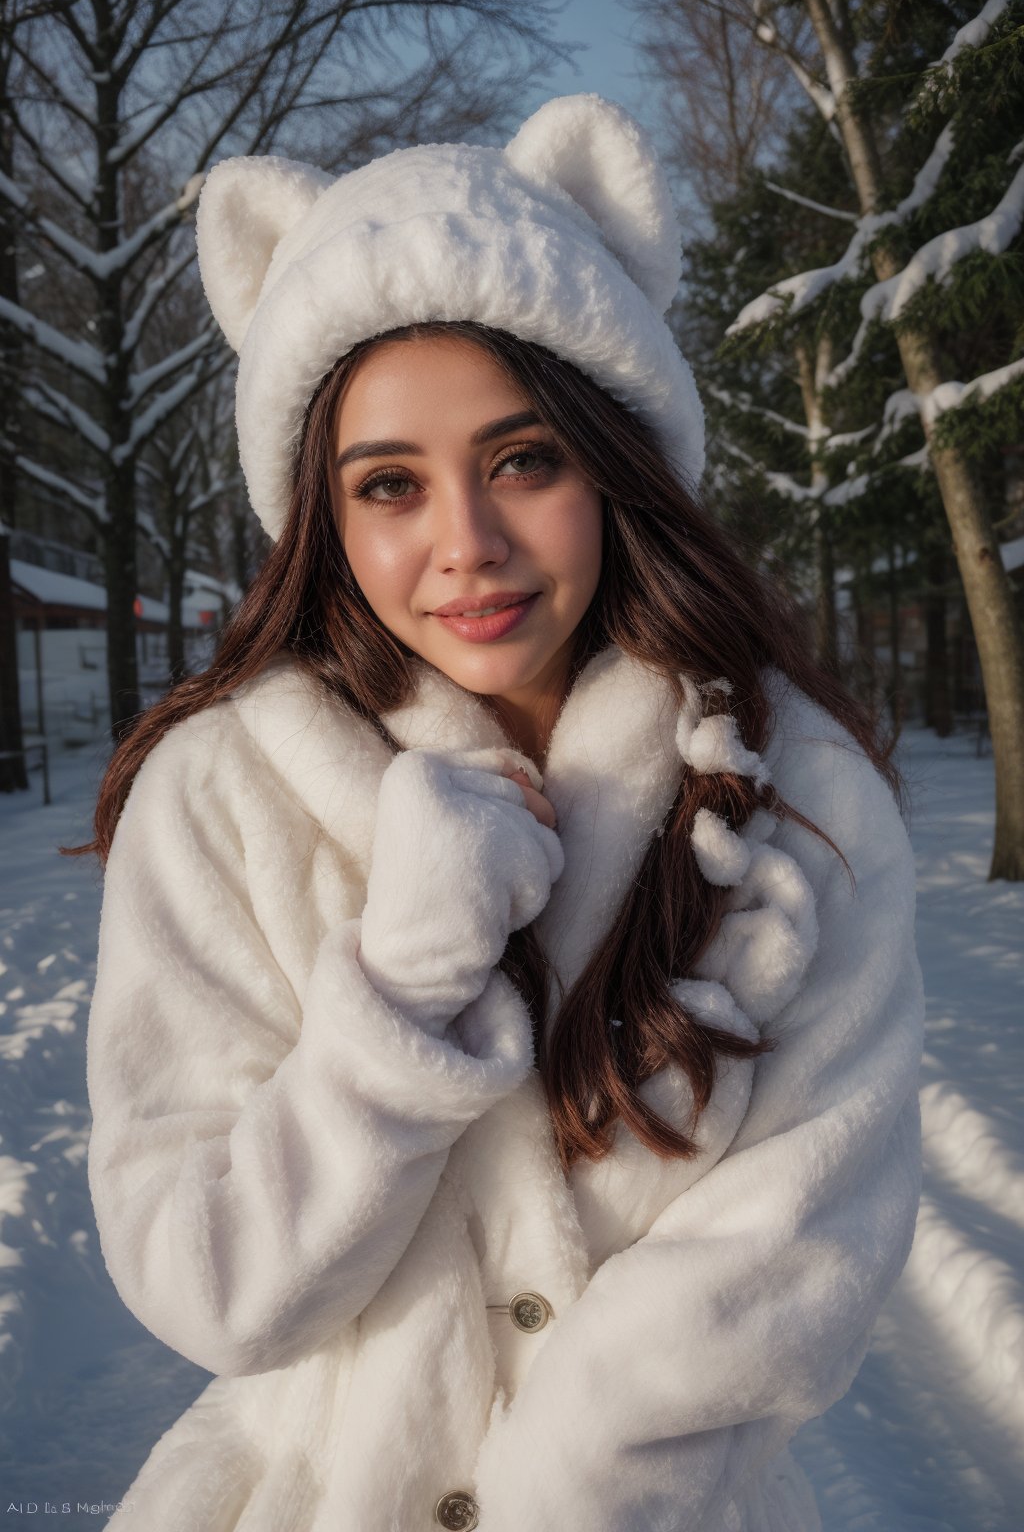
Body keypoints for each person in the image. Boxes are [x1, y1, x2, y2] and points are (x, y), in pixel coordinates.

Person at [77, 93, 925, 1532]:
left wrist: (571, 1494)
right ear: (322, 521)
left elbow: (805, 1241)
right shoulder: (222, 799)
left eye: (524, 459)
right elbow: (211, 1280)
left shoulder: (798, 794)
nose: (465, 545)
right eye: (390, 485)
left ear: (613, 460)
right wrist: (404, 979)